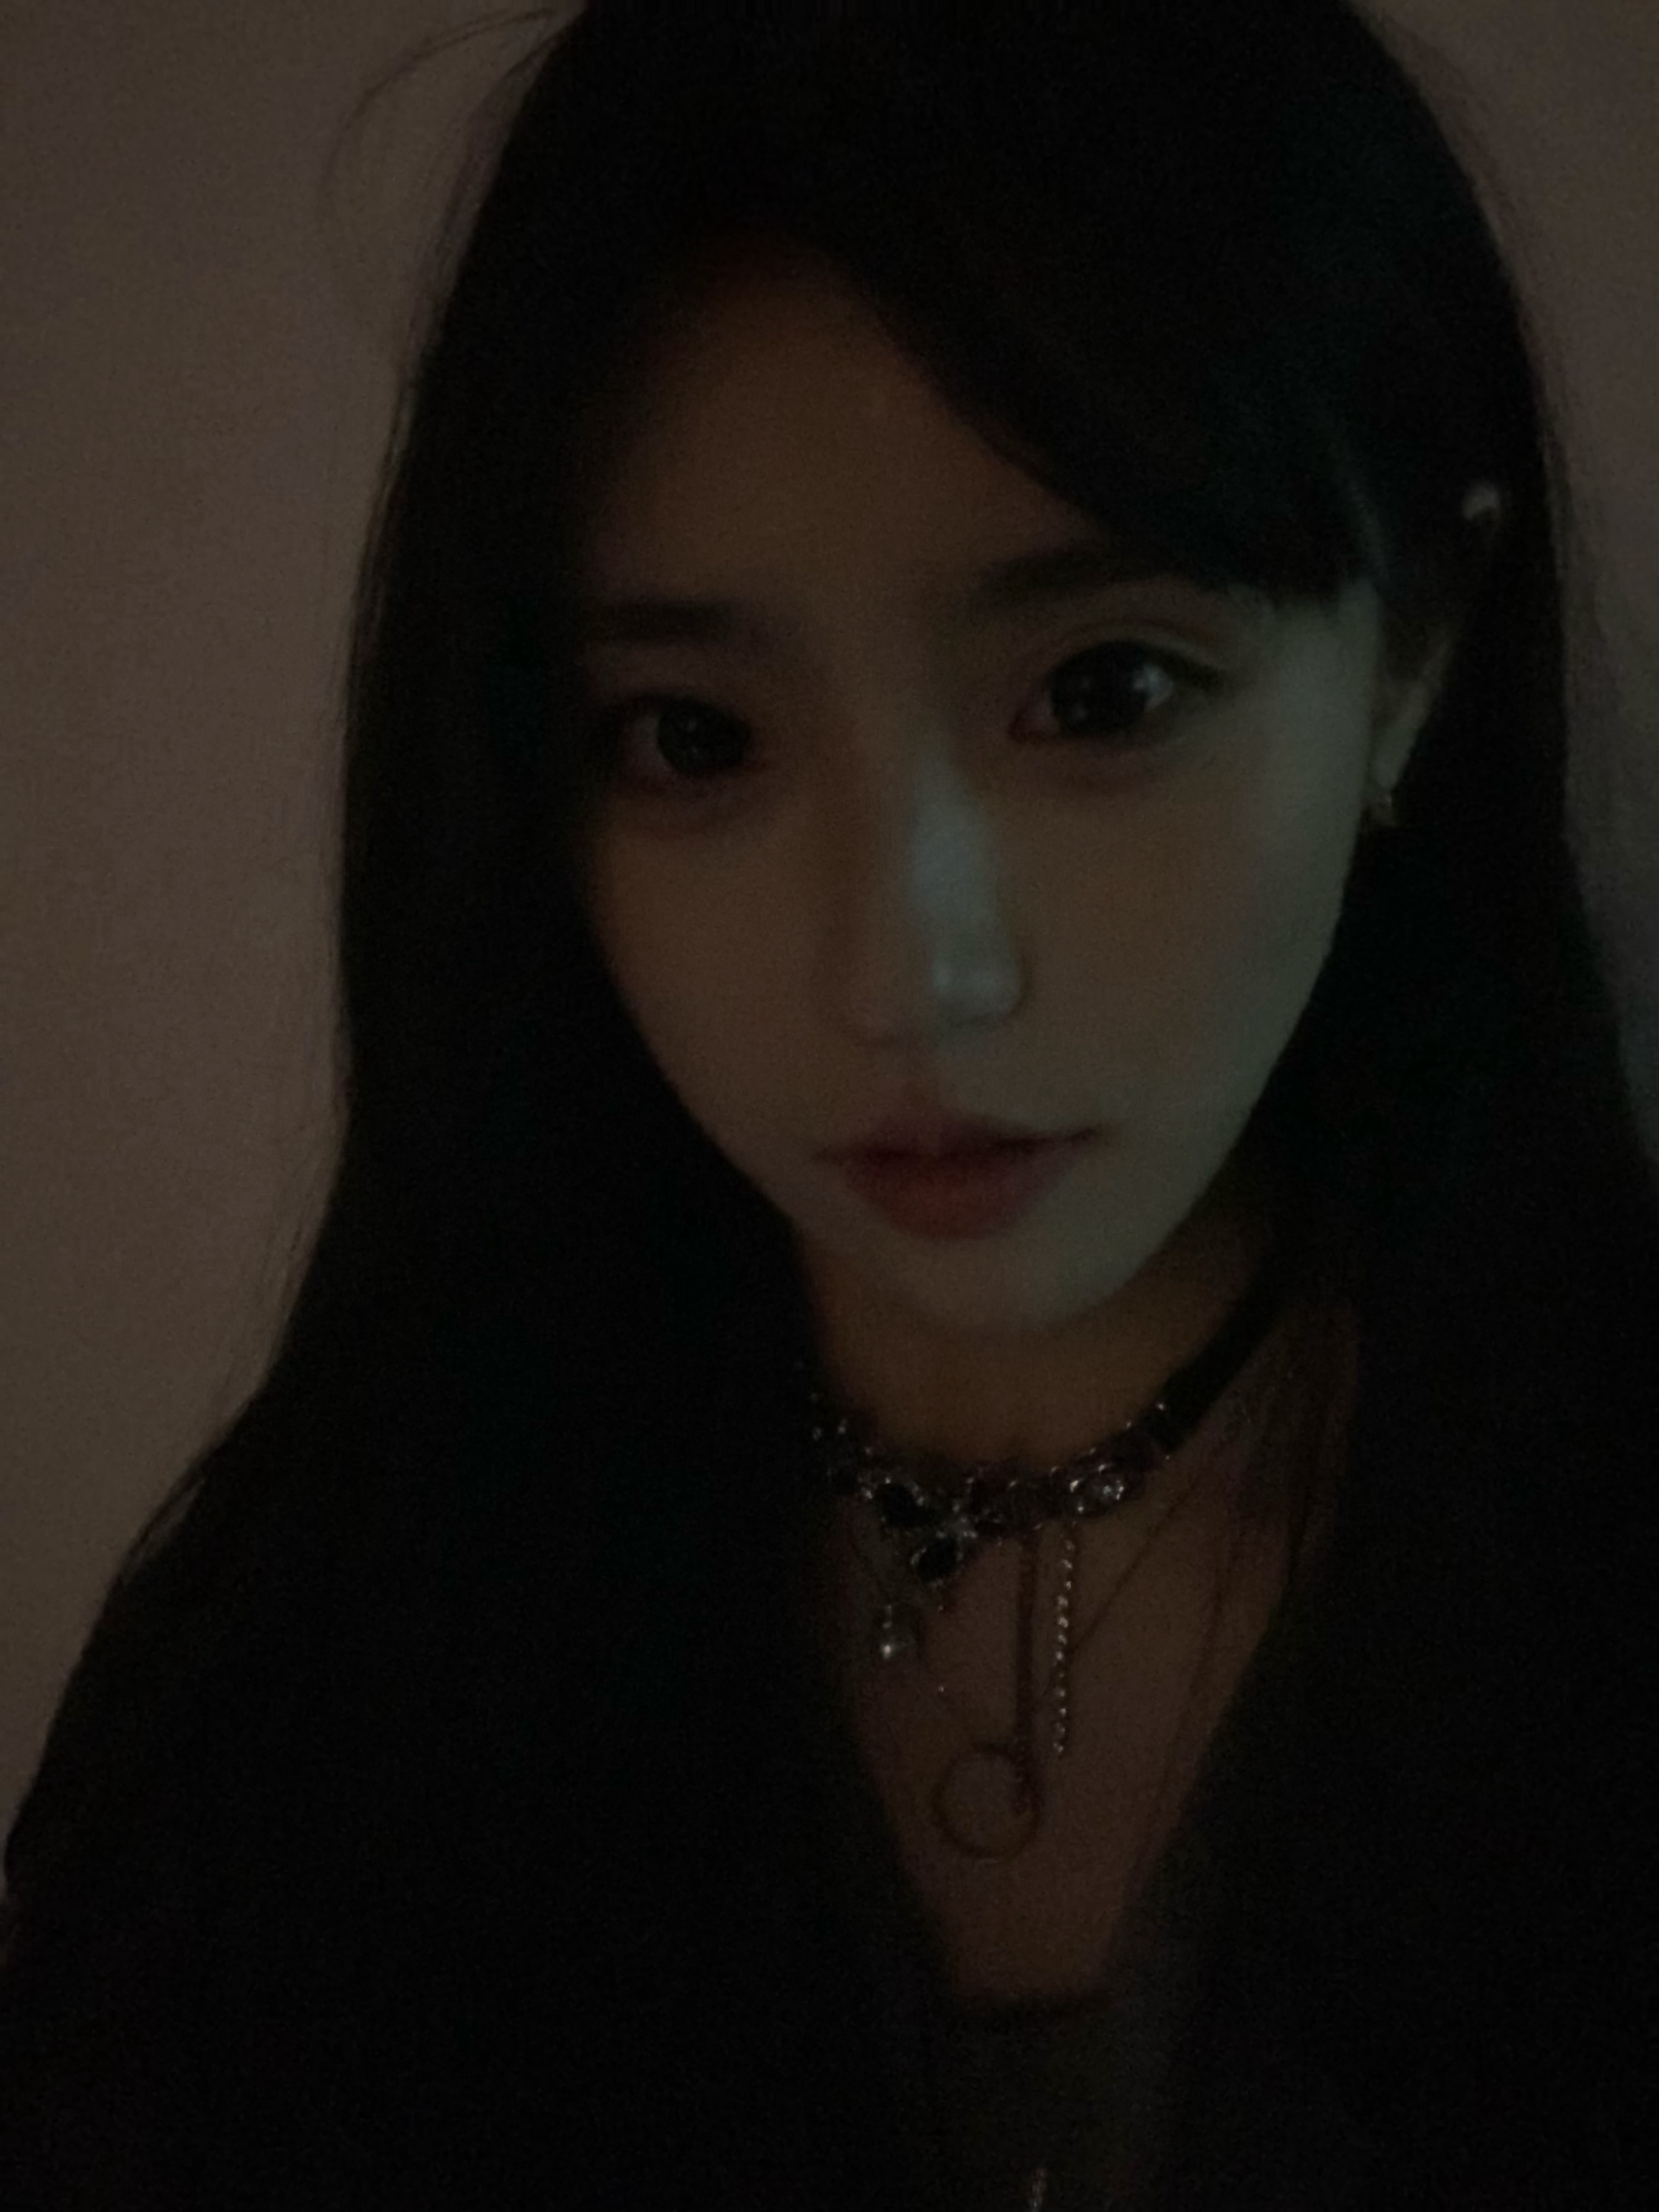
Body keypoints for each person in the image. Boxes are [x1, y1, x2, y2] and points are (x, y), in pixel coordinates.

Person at [2, 1, 1655, 2205]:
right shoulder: (309, 1680)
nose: (907, 976)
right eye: (691, 739)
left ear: (1414, 650)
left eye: (1102, 693)